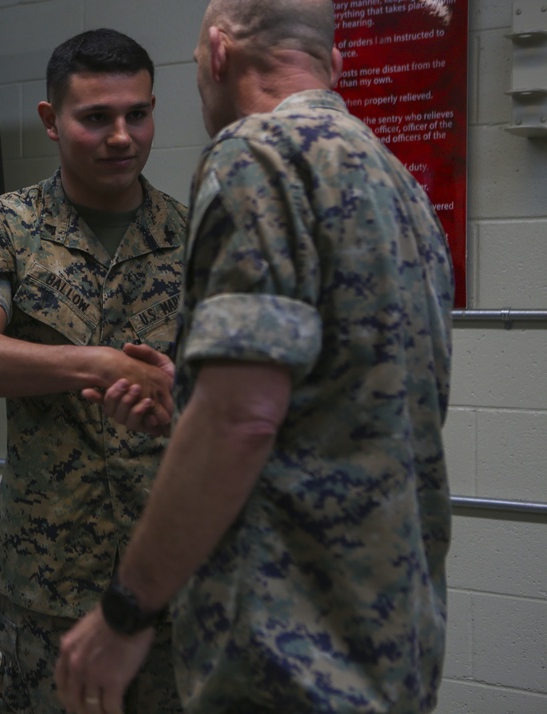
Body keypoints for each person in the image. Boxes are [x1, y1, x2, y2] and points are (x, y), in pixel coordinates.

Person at [55, 1, 454, 712]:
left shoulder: (257, 156)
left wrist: (125, 612)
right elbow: (345, 403)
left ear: (217, 52)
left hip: (285, 657)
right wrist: (195, 398)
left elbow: (243, 419)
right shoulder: (399, 181)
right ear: (332, 62)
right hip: (390, 644)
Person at [0, 29, 186, 714]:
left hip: (169, 576)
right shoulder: (1, 230)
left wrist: (175, 395)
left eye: (138, 114)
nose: (122, 136)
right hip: (51, 583)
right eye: (96, 117)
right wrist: (99, 364)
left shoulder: (192, 237)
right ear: (51, 120)